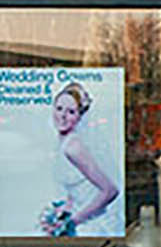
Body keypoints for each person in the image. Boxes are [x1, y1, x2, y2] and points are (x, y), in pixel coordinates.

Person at [42, 82, 121, 238]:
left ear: (80, 117)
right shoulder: (63, 143)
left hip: (90, 226)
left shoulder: (74, 147)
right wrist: (64, 209)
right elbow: (78, 186)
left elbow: (110, 191)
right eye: (59, 109)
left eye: (71, 112)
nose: (62, 116)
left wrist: (73, 221)